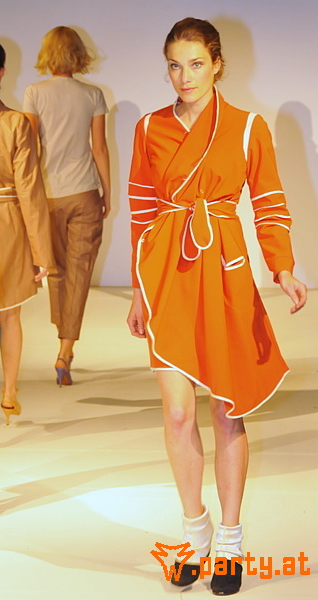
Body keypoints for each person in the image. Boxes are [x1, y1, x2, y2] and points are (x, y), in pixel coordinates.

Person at [126, 17, 307, 596]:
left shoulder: (248, 126)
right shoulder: (149, 127)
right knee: (178, 414)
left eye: (196, 64)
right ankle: (194, 531)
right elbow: (140, 211)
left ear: (218, 64)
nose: (184, 76)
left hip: (224, 271)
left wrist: (282, 266)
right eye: (174, 66)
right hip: (167, 274)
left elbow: (270, 203)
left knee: (228, 409)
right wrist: (138, 290)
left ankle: (229, 539)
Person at [0, 38, 54, 448]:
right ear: (1, 72)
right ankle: (10, 394)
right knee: (10, 317)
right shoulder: (16, 123)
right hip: (9, 223)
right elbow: (30, 191)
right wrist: (42, 252)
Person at [23, 26, 111, 386]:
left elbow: (30, 148)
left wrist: (27, 196)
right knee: (80, 271)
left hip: (49, 195)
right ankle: (65, 349)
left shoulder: (34, 93)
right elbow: (99, 148)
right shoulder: (93, 94)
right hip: (85, 192)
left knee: (57, 271)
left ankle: (64, 342)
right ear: (78, 54)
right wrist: (107, 191)